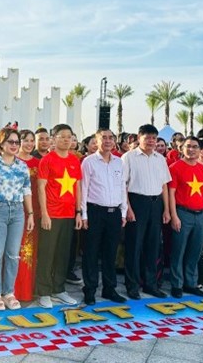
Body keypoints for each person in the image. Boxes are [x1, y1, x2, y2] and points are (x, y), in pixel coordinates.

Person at [0, 128, 33, 310]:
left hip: (17, 212)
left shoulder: (22, 166)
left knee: (13, 255)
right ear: (1, 144)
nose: (15, 146)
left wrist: (30, 213)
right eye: (11, 142)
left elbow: (26, 191)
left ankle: (9, 292)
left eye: (17, 142)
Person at [121, 124, 171, 299]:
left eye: (154, 138)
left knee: (153, 246)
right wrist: (128, 208)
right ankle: (132, 285)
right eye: (147, 137)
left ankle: (150, 284)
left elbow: (164, 185)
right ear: (138, 137)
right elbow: (123, 185)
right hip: (137, 203)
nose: (151, 141)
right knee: (134, 246)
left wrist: (166, 210)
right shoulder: (128, 157)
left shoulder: (160, 158)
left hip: (156, 204)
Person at [35, 124, 82, 308]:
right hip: (51, 214)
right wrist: (44, 214)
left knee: (63, 254)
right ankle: (44, 292)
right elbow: (40, 188)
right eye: (62, 136)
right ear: (53, 139)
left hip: (68, 214)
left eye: (69, 137)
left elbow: (77, 187)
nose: (66, 140)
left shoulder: (74, 160)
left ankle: (59, 289)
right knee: (47, 253)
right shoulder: (47, 160)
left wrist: (78, 212)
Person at [80, 128, 127, 305]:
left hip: (114, 213)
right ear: (96, 141)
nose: (107, 141)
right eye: (103, 138)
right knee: (91, 252)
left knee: (110, 253)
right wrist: (84, 214)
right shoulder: (89, 162)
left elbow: (122, 187)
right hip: (95, 212)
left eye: (110, 138)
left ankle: (109, 289)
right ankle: (90, 289)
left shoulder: (119, 162)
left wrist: (123, 211)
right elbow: (83, 189)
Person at [168, 136, 203, 298]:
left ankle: (191, 283)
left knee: (195, 251)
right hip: (182, 213)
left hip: (200, 215)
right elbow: (171, 194)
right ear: (182, 148)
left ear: (199, 150)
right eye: (188, 146)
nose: (191, 149)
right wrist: (174, 216)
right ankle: (177, 284)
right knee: (179, 251)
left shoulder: (201, 168)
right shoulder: (175, 167)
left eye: (195, 147)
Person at [14, 129, 40, 301]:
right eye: (26, 140)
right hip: (16, 211)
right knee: (14, 251)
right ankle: (13, 290)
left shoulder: (40, 163)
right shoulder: (13, 162)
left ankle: (27, 289)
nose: (29, 144)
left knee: (29, 251)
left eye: (32, 140)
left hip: (34, 211)